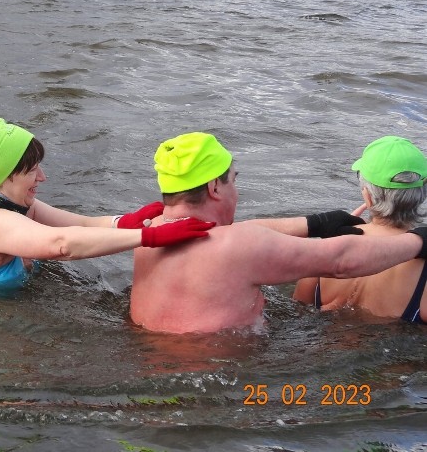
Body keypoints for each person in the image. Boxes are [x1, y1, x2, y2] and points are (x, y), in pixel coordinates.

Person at [127, 132, 427, 334]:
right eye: (234, 179)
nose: (238, 189)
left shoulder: (144, 234)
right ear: (213, 187)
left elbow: (234, 236)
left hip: (150, 361)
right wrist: (418, 240)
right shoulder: (241, 245)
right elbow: (342, 261)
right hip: (226, 376)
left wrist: (316, 224)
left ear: (367, 194)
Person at [0, 119, 215, 288]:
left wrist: (125, 221)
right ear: (4, 175)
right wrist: (150, 237)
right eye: (33, 170)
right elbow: (63, 244)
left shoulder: (13, 206)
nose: (43, 177)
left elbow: (82, 224)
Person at [293, 136, 427, 324]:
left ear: (368, 196)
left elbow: (298, 311)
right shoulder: (423, 268)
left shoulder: (325, 251)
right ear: (422, 195)